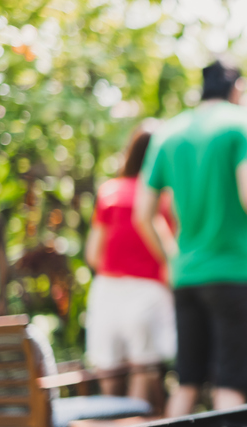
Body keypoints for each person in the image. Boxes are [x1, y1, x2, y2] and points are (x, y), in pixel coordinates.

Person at [134, 60, 247, 417]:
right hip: (231, 271)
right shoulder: (243, 122)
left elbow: (143, 214)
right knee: (230, 383)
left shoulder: (169, 131)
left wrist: (170, 258)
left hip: (186, 274)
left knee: (187, 382)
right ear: (237, 88)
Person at [85, 119, 176, 409]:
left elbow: (92, 254)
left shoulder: (110, 192)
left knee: (109, 369)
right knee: (144, 367)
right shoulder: (167, 197)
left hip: (108, 289)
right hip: (150, 290)